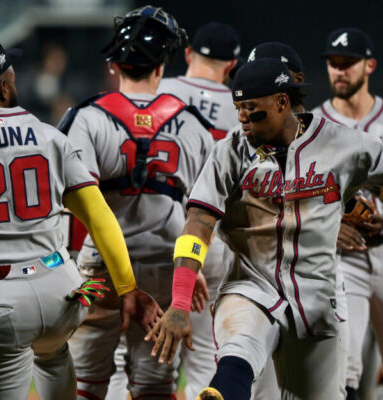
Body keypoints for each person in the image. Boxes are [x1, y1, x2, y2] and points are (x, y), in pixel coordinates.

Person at [145, 57, 383, 400]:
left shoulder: (344, 144)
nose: (241, 117)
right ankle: (223, 392)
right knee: (240, 345)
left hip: (315, 298)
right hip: (251, 285)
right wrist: (180, 301)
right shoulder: (230, 152)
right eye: (238, 107)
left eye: (251, 108)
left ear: (282, 103)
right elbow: (198, 224)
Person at [0, 37, 160, 400]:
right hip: (60, 291)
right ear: (2, 88)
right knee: (52, 354)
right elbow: (99, 217)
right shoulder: (49, 136)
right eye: (12, 78)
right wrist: (127, 287)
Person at [60, 5, 214, 400]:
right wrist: (190, 268)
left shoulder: (87, 117)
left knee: (85, 383)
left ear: (116, 66)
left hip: (101, 268)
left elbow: (76, 206)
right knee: (155, 385)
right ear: (162, 67)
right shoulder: (193, 124)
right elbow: (203, 213)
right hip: (166, 262)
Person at [244, 41, 349, 400]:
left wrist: (342, 216)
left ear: (295, 82)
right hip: (258, 288)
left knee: (334, 388)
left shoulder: (333, 139)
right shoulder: (239, 142)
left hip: (318, 288)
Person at [155, 21, 240, 400]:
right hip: (214, 233)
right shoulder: (242, 102)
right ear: (232, 65)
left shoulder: (160, 89)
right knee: (206, 351)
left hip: (156, 229)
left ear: (188, 55)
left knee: (148, 354)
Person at [312, 27, 383, 400]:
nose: (339, 71)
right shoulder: (312, 127)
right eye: (333, 64)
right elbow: (295, 196)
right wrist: (327, 224)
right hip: (342, 258)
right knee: (346, 367)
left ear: (369, 65)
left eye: (347, 63)